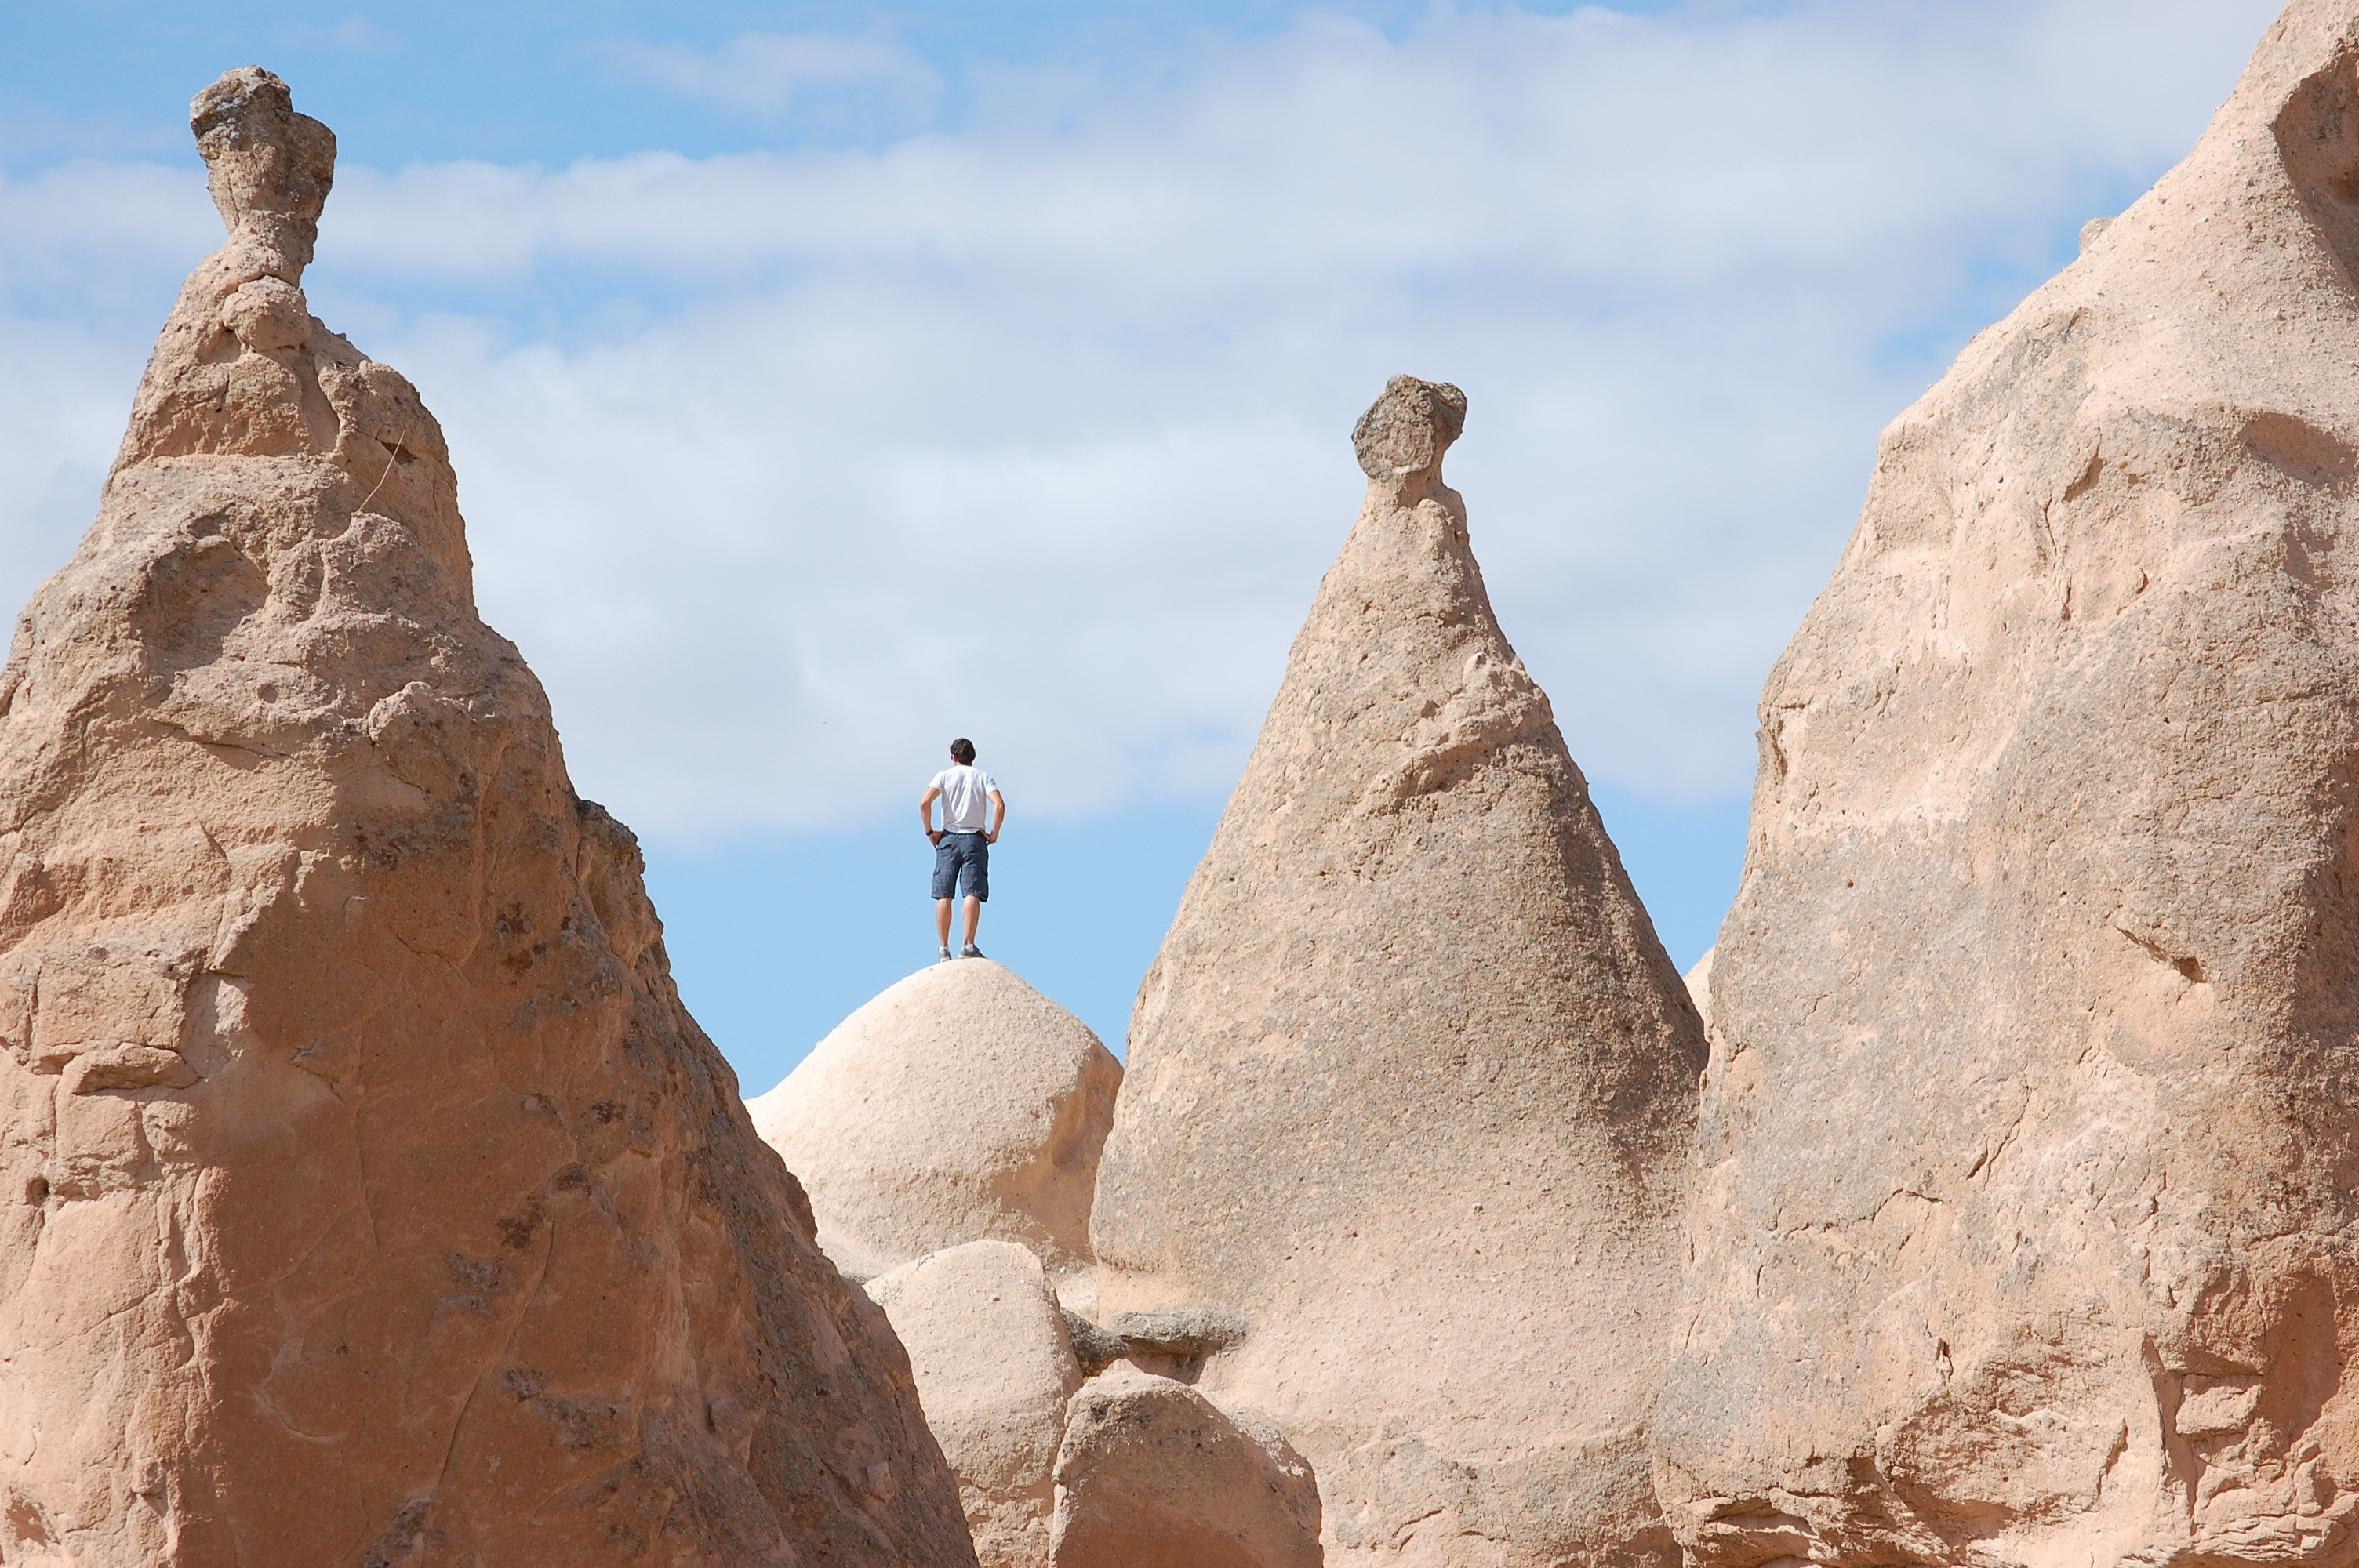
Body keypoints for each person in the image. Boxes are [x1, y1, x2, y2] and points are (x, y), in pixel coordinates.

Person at [920, 737, 1004, 961]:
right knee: (972, 892)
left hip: (948, 838)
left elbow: (924, 803)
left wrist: (930, 832)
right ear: (973, 757)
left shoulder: (944, 776)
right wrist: (994, 834)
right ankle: (968, 944)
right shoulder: (984, 777)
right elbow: (999, 804)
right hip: (974, 839)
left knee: (944, 894)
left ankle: (943, 949)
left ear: (953, 757)